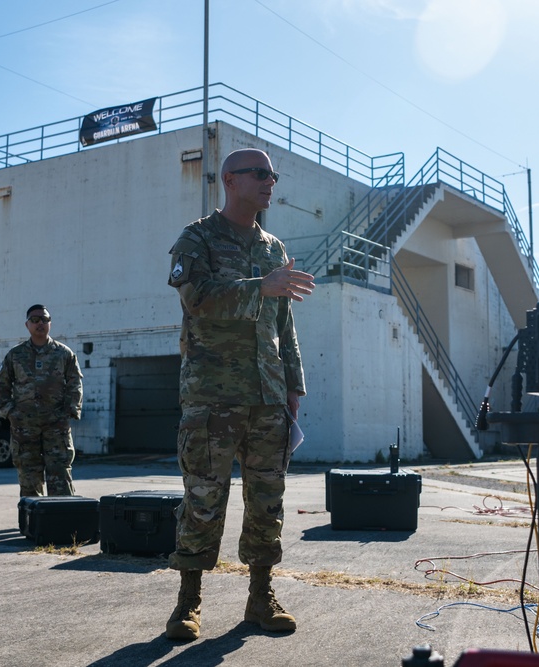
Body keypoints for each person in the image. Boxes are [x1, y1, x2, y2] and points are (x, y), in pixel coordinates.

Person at [165, 148, 315, 641]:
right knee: (204, 499)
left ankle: (260, 597)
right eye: (260, 174)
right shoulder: (198, 238)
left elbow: (283, 321)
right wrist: (261, 286)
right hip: (212, 396)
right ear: (230, 180)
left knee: (267, 502)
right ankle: (188, 602)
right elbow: (199, 299)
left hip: (267, 395)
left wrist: (294, 385)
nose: (270, 182)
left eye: (273, 175)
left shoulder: (274, 247)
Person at [0, 305, 83, 497]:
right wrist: (10, 412)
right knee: (28, 476)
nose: (40, 323)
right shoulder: (15, 355)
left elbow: (75, 383)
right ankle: (31, 523)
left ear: (50, 323)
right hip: (24, 426)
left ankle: (62, 523)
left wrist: (68, 412)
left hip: (56, 424)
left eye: (44, 319)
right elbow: (2, 385)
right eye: (35, 320)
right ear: (27, 325)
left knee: (60, 474)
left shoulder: (64, 354)